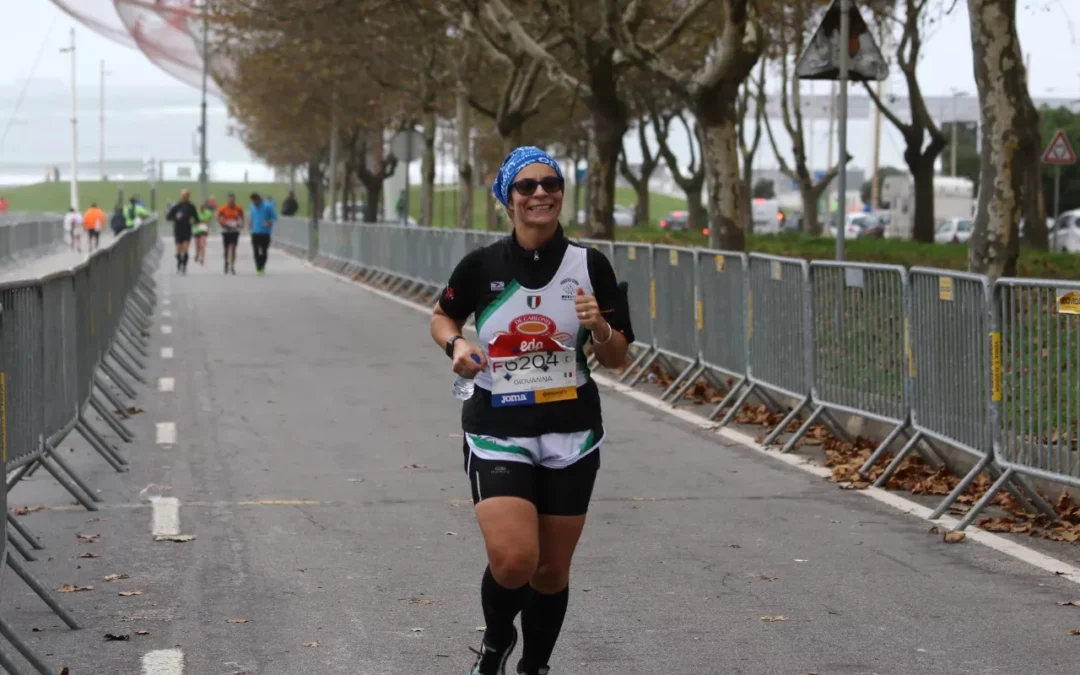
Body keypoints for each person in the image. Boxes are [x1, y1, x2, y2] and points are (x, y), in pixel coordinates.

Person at [429, 146, 633, 675]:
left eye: (551, 183)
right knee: (515, 558)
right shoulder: (482, 265)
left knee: (549, 569)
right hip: (498, 427)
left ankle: (534, 667)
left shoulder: (590, 266)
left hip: (572, 432)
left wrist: (600, 328)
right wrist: (457, 347)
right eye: (527, 186)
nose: (541, 192)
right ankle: (496, 645)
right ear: (508, 198)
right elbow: (442, 318)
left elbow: (616, 357)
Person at [166, 189, 199, 274]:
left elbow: (197, 219)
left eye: (186, 195)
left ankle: (184, 266)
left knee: (185, 248)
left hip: (187, 230)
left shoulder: (191, 207)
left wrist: (193, 221)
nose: (184, 197)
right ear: (181, 196)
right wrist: (175, 218)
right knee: (178, 249)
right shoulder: (177, 206)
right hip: (178, 230)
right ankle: (179, 262)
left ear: (188, 196)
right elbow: (168, 217)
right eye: (183, 195)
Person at [248, 192, 277, 275]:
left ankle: (262, 265)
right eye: (252, 202)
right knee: (255, 251)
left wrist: (269, 222)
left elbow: (274, 217)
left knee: (264, 251)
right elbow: (252, 216)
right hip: (255, 232)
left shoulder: (268, 206)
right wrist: (250, 223)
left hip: (265, 233)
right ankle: (258, 267)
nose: (254, 203)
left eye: (255, 201)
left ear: (259, 200)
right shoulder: (252, 206)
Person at [216, 193, 244, 275]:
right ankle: (226, 263)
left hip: (235, 231)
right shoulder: (223, 208)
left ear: (234, 200)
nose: (231, 201)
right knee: (226, 249)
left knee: (233, 248)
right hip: (226, 230)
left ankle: (232, 265)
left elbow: (242, 217)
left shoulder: (238, 208)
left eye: (232, 199)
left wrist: (241, 224)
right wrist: (221, 222)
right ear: (227, 200)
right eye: (229, 199)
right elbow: (217, 217)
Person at [194, 200, 213, 265]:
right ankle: (197, 253)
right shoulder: (196, 212)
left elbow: (210, 221)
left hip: (204, 230)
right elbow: (192, 221)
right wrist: (197, 222)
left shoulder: (208, 213)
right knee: (197, 245)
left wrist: (206, 223)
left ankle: (202, 257)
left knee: (202, 244)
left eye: (203, 207)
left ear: (205, 207)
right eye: (200, 207)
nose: (202, 208)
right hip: (196, 230)